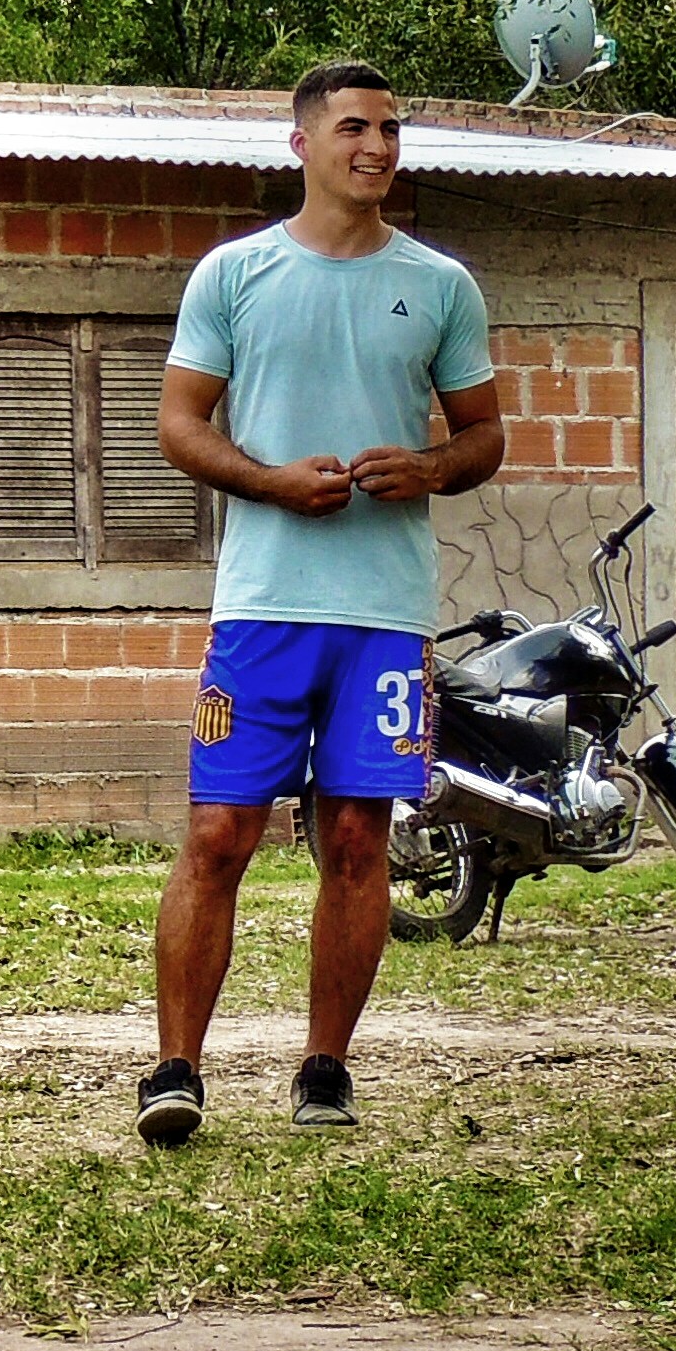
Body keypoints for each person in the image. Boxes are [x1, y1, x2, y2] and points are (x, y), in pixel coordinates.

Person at [142, 61, 506, 1143]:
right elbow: (178, 423)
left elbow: (483, 436)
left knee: (355, 839)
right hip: (260, 608)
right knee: (218, 832)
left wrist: (432, 469)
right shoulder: (233, 274)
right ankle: (173, 1071)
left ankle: (324, 1072)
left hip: (386, 614)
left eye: (392, 130)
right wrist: (266, 482)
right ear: (299, 143)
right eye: (354, 128)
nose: (378, 148)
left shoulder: (440, 284)